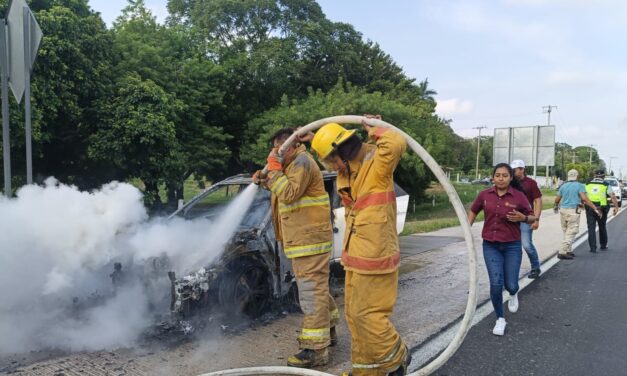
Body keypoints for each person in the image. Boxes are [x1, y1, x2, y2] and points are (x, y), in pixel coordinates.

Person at [308, 115, 410, 376]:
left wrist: (377, 129)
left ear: (339, 151)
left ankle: (397, 359)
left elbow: (396, 142)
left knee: (368, 316)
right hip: (356, 257)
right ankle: (367, 371)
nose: (332, 166)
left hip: (376, 257)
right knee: (354, 316)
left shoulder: (374, 162)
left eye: (331, 159)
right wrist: (311, 140)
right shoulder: (349, 170)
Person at [253, 128, 339, 368]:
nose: (275, 153)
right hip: (305, 240)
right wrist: (264, 177)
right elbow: (283, 187)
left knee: (311, 293)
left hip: (309, 241)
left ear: (289, 146)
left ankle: (315, 350)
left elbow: (289, 193)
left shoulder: (301, 162)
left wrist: (274, 173)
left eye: (278, 149)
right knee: (317, 289)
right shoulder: (292, 164)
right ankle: (329, 331)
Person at [468, 163, 536, 336]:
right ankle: (500, 318)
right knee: (496, 283)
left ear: (511, 177)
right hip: (490, 245)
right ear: (493, 177)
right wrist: (467, 228)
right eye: (497, 175)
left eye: (505, 175)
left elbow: (533, 217)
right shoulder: (484, 195)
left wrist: (523, 217)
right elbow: (473, 210)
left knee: (511, 284)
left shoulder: (519, 196)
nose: (500, 178)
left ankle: (513, 293)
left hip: (512, 245)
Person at [554, 169, 600, 259]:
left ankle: (568, 250)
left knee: (566, 231)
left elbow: (557, 200)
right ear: (577, 176)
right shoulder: (579, 186)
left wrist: (556, 206)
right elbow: (585, 199)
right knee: (572, 231)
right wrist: (595, 208)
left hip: (563, 210)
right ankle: (562, 252)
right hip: (573, 211)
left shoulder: (563, 186)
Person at [510, 160, 542, 278]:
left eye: (515, 170)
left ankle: (535, 267)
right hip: (512, 218)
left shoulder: (530, 183)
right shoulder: (509, 182)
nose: (513, 172)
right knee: (512, 246)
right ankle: (512, 270)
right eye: (512, 170)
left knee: (526, 244)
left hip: (526, 218)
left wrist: (536, 219)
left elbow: (538, 201)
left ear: (522, 169)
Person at [584, 169, 619, 253]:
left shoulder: (587, 184)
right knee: (602, 226)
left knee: (591, 228)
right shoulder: (606, 185)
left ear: (594, 176)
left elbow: (583, 196)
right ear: (603, 176)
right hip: (602, 209)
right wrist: (616, 207)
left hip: (590, 208)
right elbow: (613, 196)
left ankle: (593, 248)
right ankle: (603, 245)